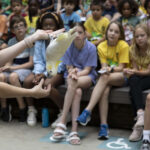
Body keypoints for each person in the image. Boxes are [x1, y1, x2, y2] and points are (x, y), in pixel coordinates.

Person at [77, 21, 130, 140]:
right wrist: (106, 68)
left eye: (116, 32)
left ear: (120, 35)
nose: (113, 34)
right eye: (111, 30)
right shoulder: (101, 46)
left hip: (123, 76)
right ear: (106, 32)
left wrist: (109, 69)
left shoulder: (123, 45)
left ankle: (87, 111)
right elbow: (104, 65)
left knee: (105, 77)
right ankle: (104, 127)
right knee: (104, 91)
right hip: (108, 77)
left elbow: (122, 68)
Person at [50, 22, 97, 145]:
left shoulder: (91, 47)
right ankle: (74, 131)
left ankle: (63, 121)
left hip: (86, 76)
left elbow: (87, 70)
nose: (77, 35)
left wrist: (77, 74)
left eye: (80, 32)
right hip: (72, 76)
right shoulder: (67, 46)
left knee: (73, 82)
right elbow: (69, 67)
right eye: (75, 32)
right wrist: (72, 72)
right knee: (77, 91)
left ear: (85, 34)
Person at [23, 12, 68, 127]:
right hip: (43, 70)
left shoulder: (62, 39)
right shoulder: (40, 39)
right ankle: (31, 110)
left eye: (51, 25)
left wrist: (45, 74)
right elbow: (38, 60)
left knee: (47, 85)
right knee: (27, 81)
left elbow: (61, 62)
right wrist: (39, 73)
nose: (48, 28)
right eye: (45, 25)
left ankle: (64, 112)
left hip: (58, 70)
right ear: (41, 26)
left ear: (57, 26)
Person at [0, 16, 34, 122]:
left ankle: (22, 107)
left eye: (21, 25)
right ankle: (4, 107)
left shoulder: (30, 40)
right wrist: (6, 66)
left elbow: (30, 63)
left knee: (13, 77)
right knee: (1, 76)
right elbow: (10, 60)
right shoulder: (11, 41)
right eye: (16, 27)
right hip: (14, 66)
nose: (19, 28)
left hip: (25, 68)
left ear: (25, 27)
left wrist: (12, 67)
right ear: (13, 30)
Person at [123, 24, 150, 142]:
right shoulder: (132, 48)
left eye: (142, 35)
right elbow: (136, 70)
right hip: (140, 76)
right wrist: (128, 71)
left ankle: (138, 124)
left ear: (148, 36)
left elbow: (148, 72)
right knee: (133, 80)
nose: (139, 38)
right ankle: (140, 116)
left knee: (133, 87)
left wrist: (134, 72)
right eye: (137, 36)